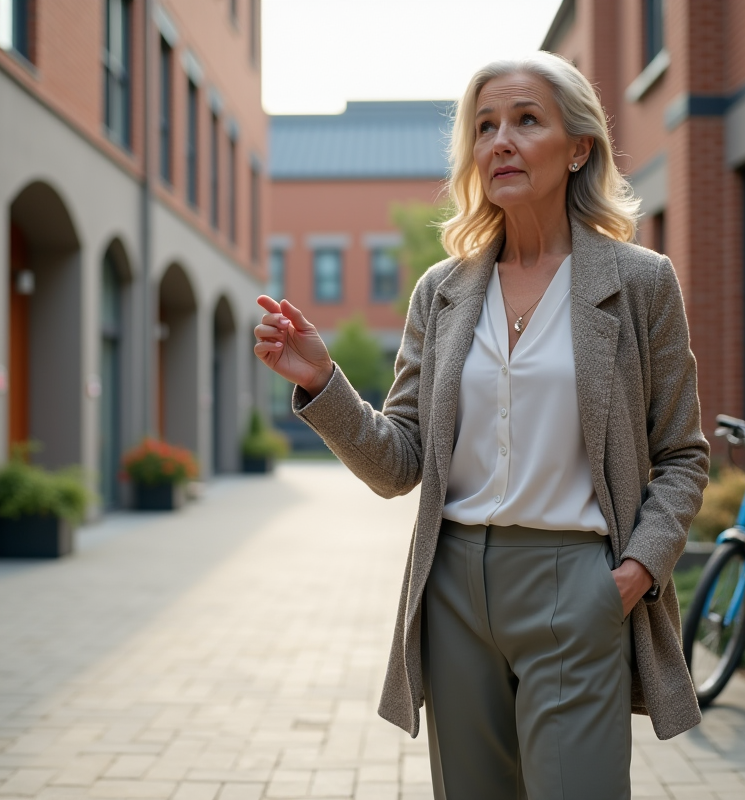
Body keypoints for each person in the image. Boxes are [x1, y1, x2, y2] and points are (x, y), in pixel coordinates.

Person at [253, 52, 708, 799]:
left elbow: (683, 455)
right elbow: (400, 463)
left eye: (526, 120)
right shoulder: (442, 291)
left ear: (579, 147)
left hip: (578, 583)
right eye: (485, 125)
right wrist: (322, 383)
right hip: (454, 587)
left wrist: (633, 575)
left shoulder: (640, 282)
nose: (501, 141)